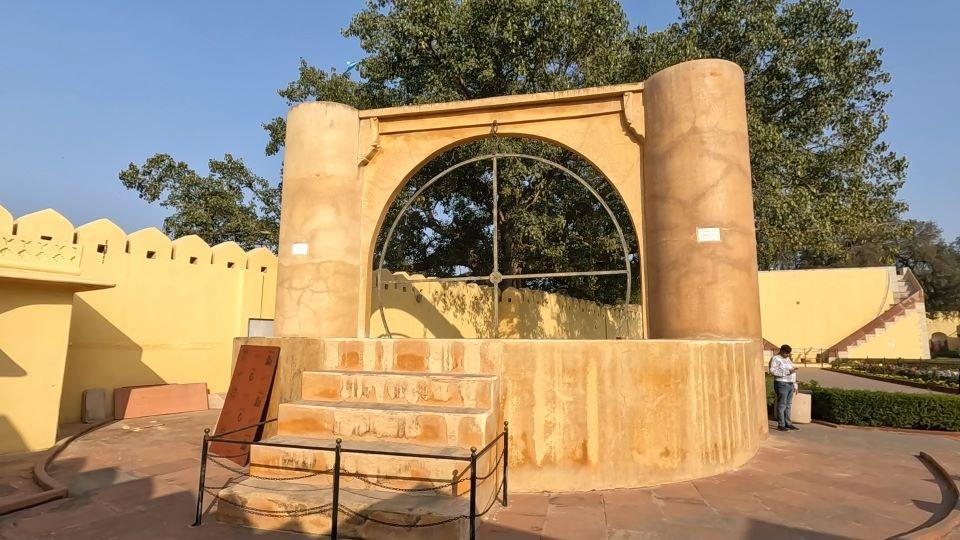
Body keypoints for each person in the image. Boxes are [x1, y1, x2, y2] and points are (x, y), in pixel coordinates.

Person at [769, 344, 799, 432]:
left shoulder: (787, 359)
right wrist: (787, 372)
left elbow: (792, 371)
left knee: (788, 405)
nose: (787, 355)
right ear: (781, 351)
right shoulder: (776, 358)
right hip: (782, 383)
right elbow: (772, 371)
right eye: (786, 353)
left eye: (788, 353)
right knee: (782, 405)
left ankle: (788, 423)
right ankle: (781, 424)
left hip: (790, 383)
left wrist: (795, 384)